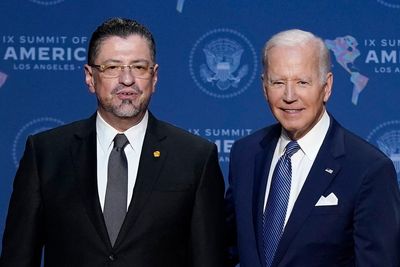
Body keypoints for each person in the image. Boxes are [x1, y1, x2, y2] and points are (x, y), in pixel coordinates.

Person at [0, 18, 225, 267]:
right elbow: (17, 258)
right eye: (112, 67)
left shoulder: (195, 157)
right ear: (90, 77)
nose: (126, 80)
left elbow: (209, 259)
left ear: (155, 76)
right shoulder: (46, 153)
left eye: (139, 67)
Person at [225, 29, 400, 267]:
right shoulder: (245, 154)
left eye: (302, 82)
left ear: (326, 86)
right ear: (264, 87)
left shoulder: (368, 169)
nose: (289, 96)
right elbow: (224, 248)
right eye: (278, 82)